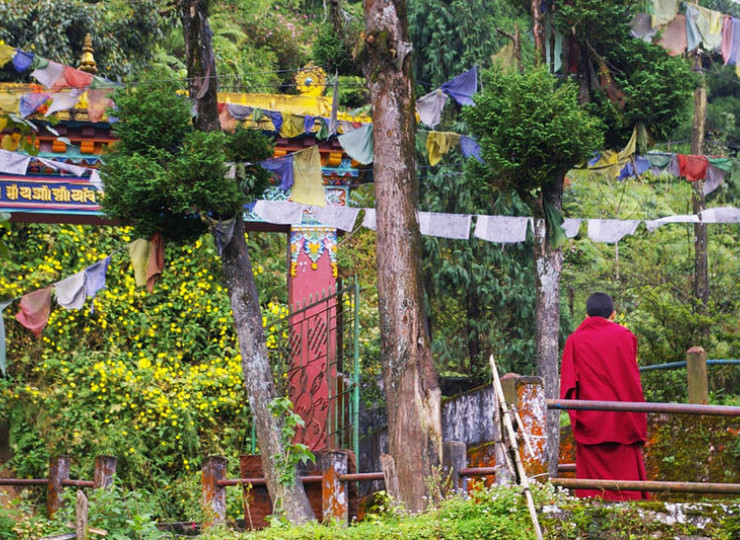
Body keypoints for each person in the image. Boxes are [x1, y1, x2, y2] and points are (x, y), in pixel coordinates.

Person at [560, 292, 649, 500]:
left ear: (586, 315)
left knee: (593, 491)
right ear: (613, 314)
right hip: (622, 419)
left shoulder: (574, 340)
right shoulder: (625, 336)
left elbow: (568, 387)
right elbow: (632, 381)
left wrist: (577, 416)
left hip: (591, 420)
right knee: (627, 489)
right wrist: (637, 418)